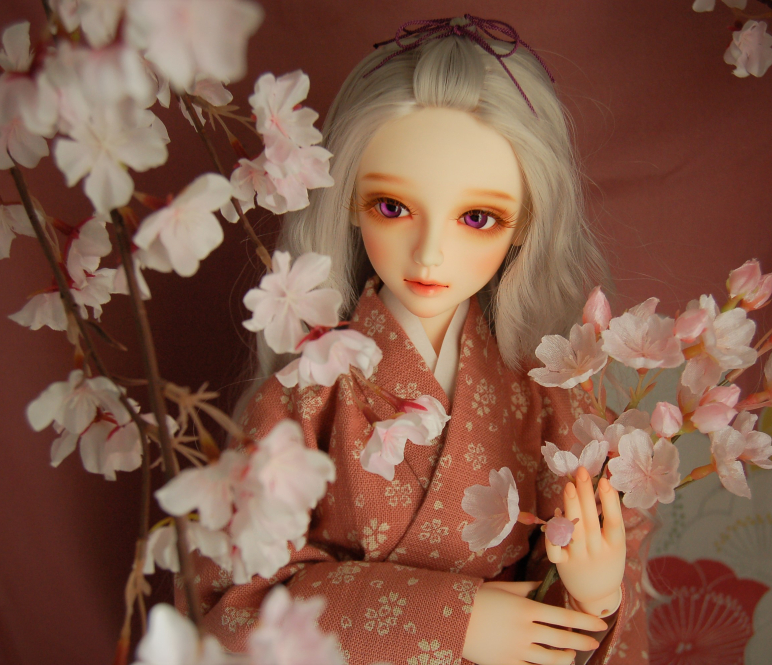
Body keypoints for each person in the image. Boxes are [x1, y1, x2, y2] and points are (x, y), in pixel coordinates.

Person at [182, 17, 651, 665]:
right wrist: (452, 620)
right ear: (349, 200)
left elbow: (579, 592)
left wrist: (595, 595)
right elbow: (232, 609)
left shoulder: (545, 393)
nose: (431, 252)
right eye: (393, 207)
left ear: (525, 224)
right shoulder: (309, 393)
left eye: (477, 218)